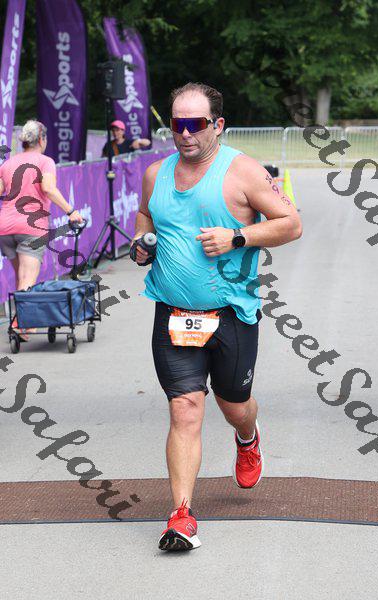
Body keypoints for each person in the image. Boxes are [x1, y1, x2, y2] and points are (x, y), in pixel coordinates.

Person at [132, 82, 302, 551]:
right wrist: (142, 243)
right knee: (184, 408)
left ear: (218, 125)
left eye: (196, 124)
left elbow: (291, 223)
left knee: (234, 404)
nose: (185, 133)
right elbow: (145, 216)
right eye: (177, 124)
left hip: (231, 314)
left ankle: (247, 437)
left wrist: (237, 238)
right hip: (172, 313)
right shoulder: (155, 174)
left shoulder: (242, 171)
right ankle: (181, 515)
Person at [0, 120, 83, 339]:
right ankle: (21, 324)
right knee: (27, 278)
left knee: (22, 277)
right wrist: (71, 211)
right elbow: (48, 188)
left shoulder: (8, 163)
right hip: (30, 226)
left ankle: (24, 321)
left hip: (5, 228)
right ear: (41, 139)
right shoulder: (45, 161)